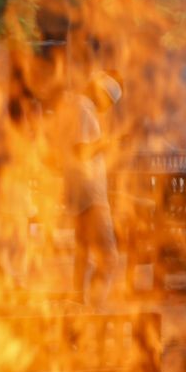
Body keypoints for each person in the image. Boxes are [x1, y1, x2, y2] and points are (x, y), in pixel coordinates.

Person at [65, 71, 122, 307]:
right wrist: (109, 141)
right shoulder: (83, 109)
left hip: (80, 192)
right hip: (90, 194)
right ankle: (95, 311)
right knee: (109, 258)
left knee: (83, 255)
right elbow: (81, 151)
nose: (107, 108)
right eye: (108, 102)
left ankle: (77, 306)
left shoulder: (77, 107)